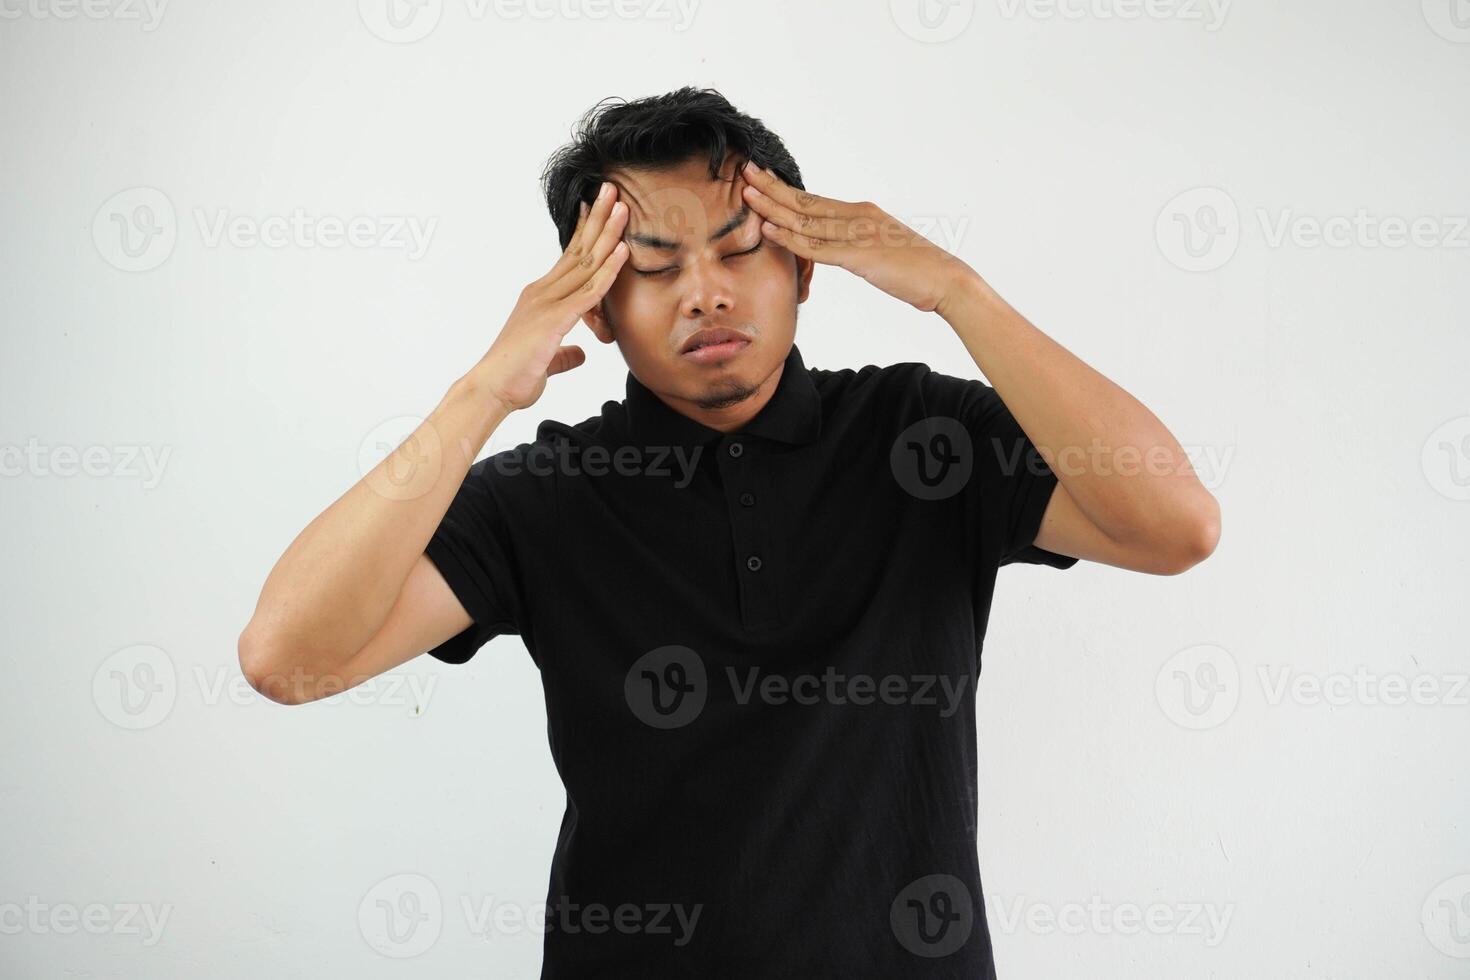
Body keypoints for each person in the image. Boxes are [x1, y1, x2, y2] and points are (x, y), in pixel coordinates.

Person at [239, 86, 1220, 978]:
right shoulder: (548, 493)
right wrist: (484, 389)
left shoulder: (925, 439)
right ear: (601, 310)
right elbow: (288, 658)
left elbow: (1178, 524)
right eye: (653, 266)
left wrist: (957, 290)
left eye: (741, 248)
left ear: (804, 265)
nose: (706, 290)